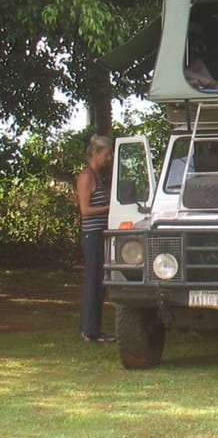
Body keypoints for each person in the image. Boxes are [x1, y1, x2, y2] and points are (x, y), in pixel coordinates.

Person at [75, 134, 116, 343]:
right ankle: (88, 331)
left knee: (100, 281)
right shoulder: (86, 177)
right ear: (97, 153)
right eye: (107, 155)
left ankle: (94, 330)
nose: (109, 159)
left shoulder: (98, 175)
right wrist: (110, 208)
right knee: (92, 281)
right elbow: (85, 210)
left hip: (101, 234)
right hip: (91, 235)